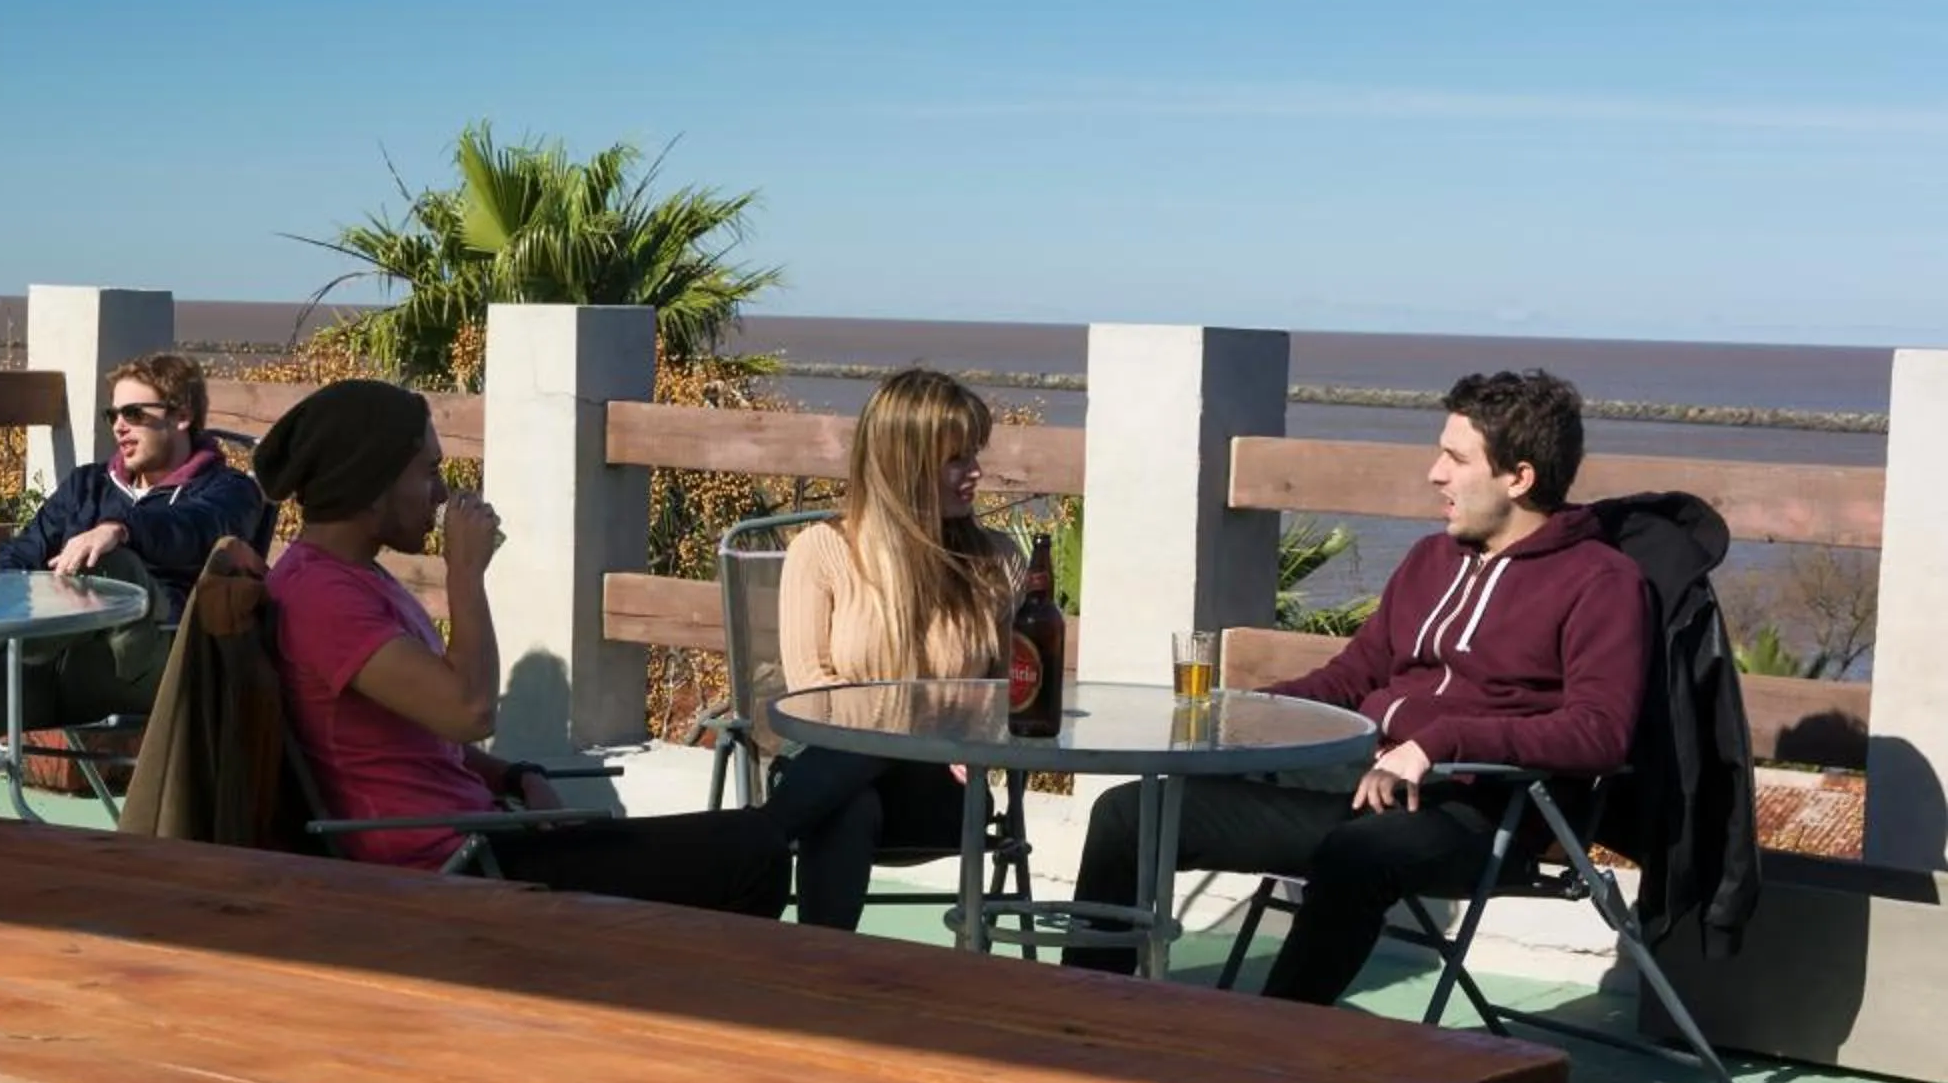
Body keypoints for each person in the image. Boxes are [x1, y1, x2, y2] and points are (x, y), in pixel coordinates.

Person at [1069, 369, 1653, 1003]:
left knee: (1358, 856)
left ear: (1519, 477)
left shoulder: (1603, 581)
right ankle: (1084, 1015)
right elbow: (1356, 676)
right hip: (1364, 781)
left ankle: (1272, 1046)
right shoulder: (1433, 559)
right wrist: (1246, 713)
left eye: (1456, 459)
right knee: (1131, 814)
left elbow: (1599, 731)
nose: (1435, 473)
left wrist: (1439, 741)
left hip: (1484, 809)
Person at [255, 377, 798, 916]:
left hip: (485, 836)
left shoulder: (353, 579)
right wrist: (465, 573)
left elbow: (418, 738)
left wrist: (516, 776)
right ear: (371, 482)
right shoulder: (322, 598)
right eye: (429, 472)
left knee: (749, 843)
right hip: (447, 869)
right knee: (751, 854)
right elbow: (469, 711)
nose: (442, 494)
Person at [0, 350, 266, 807]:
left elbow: (196, 531)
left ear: (182, 416)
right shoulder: (85, 485)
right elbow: (21, 554)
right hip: (57, 666)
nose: (119, 426)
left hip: (153, 666)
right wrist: (5, 594)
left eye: (133, 413)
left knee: (110, 562)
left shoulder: (230, 492)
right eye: (114, 414)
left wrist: (118, 530)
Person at [764, 368, 1022, 928]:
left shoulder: (994, 562)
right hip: (844, 776)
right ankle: (825, 978)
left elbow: (1013, 697)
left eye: (974, 454)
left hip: (941, 792)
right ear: (905, 463)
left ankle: (754, 839)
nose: (976, 472)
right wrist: (917, 723)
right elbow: (812, 698)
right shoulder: (822, 552)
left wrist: (972, 736)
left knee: (839, 793)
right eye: (958, 458)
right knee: (849, 805)